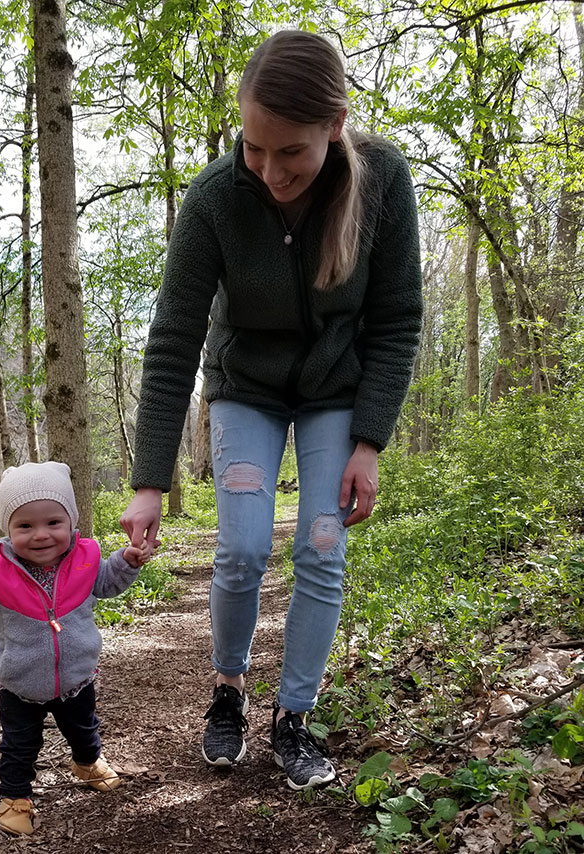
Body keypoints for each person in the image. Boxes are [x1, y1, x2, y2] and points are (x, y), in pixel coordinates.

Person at [120, 30, 422, 791]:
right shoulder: (216, 197)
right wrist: (150, 479)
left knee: (322, 545)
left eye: (290, 151)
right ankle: (228, 694)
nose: (270, 169)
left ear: (334, 123)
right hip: (245, 388)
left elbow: (397, 319)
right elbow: (173, 338)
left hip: (335, 392)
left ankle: (296, 717)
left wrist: (370, 442)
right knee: (245, 546)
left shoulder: (383, 180)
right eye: (255, 148)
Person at [0, 461, 152, 835]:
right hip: (20, 683)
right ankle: (15, 796)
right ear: (8, 529)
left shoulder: (85, 559)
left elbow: (107, 582)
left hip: (76, 676)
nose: (40, 535)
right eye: (25, 525)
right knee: (19, 745)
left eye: (53, 523)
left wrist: (126, 562)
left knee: (84, 727)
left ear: (71, 523)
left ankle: (87, 763)